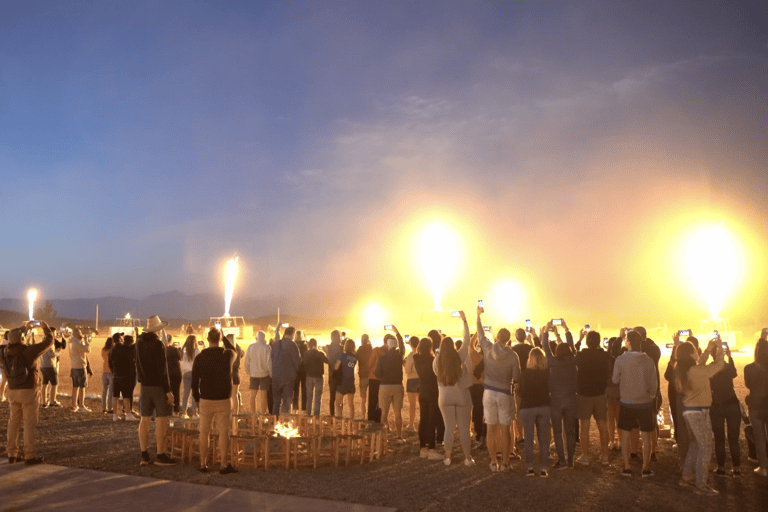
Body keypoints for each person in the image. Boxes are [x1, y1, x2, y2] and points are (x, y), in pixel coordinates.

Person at [674, 337, 724, 495]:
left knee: (695, 445)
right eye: (695, 351)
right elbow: (718, 365)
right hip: (699, 412)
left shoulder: (683, 370)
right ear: (690, 354)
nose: (698, 353)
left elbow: (699, 365)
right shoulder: (696, 370)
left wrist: (709, 350)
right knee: (705, 446)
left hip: (689, 411)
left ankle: (687, 477)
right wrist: (720, 349)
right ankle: (700, 484)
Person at [0, 321, 54, 464]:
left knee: (13, 422)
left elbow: (14, 338)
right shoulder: (28, 351)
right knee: (29, 423)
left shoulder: (5, 351)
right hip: (29, 390)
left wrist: (22, 329)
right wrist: (45, 328)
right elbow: (49, 342)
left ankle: (12, 453)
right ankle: (29, 455)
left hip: (12, 390)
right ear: (22, 338)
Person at [476, 309, 520, 472]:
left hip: (489, 392)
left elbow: (480, 334)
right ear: (509, 340)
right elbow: (516, 377)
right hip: (504, 393)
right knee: (505, 430)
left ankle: (493, 462)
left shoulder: (488, 348)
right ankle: (506, 462)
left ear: (497, 338)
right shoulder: (513, 355)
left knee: (490, 429)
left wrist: (478, 316)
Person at [192, 326, 238, 474]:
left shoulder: (200, 357)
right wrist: (224, 338)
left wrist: (197, 399)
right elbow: (235, 350)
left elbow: (194, 381)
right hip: (224, 399)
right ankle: (224, 464)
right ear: (219, 339)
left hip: (206, 399)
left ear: (207, 339)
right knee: (223, 433)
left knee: (204, 432)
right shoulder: (227, 354)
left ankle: (203, 464)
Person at [612, 329, 657, 478]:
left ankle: (626, 466)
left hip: (626, 402)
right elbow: (654, 383)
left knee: (625, 436)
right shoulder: (648, 360)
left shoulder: (621, 359)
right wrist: (649, 396)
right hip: (644, 402)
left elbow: (615, 380)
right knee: (646, 436)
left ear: (628, 342)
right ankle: (646, 468)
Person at [135, 315, 178, 466]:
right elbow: (162, 370)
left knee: (144, 419)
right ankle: (161, 454)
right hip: (158, 386)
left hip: (144, 386)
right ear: (157, 330)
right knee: (161, 420)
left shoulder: (138, 343)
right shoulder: (158, 344)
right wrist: (168, 390)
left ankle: (144, 454)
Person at [434, 311, 473, 466]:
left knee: (449, 427)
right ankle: (467, 458)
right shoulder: (460, 355)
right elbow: (467, 340)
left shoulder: (437, 360)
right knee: (464, 428)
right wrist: (464, 320)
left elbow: (437, 374)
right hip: (462, 395)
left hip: (444, 396)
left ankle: (448, 457)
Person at [542, 321, 578, 470]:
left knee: (557, 431)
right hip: (571, 398)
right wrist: (566, 329)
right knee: (570, 431)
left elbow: (545, 348)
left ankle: (562, 460)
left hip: (556, 399)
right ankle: (571, 460)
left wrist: (545, 331)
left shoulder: (553, 361)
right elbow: (572, 346)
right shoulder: (573, 360)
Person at [575, 329, 612, 465]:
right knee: (602, 425)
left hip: (584, 394)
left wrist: (579, 340)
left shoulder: (582, 355)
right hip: (600, 394)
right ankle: (605, 456)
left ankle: (585, 456)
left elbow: (574, 353)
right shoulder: (604, 355)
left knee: (584, 426)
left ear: (587, 341)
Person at [709, 339, 741, 477]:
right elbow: (734, 373)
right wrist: (730, 356)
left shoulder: (710, 368)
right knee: (734, 438)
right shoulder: (728, 367)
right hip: (732, 403)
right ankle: (737, 469)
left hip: (716, 405)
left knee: (719, 438)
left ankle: (721, 467)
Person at [519, 347, 551, 477]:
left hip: (527, 407)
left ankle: (530, 467)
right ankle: (544, 469)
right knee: (543, 439)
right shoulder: (547, 373)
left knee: (529, 438)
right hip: (544, 406)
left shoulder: (525, 374)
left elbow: (521, 392)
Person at [375, 326, 406, 441]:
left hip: (385, 386)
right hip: (397, 386)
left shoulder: (382, 358)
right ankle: (399, 436)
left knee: (384, 414)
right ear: (396, 345)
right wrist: (397, 332)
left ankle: (384, 437)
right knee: (398, 414)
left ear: (387, 346)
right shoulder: (399, 356)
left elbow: (377, 374)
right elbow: (403, 346)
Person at [744, 333, 768, 477]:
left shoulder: (749, 368)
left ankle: (764, 467)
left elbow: (748, 384)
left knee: (759, 437)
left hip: (756, 405)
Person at [414, 337, 442, 459]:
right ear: (430, 347)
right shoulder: (433, 359)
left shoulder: (416, 358)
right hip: (433, 392)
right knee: (432, 420)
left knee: (423, 419)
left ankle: (423, 448)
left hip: (422, 391)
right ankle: (431, 448)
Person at [271, 323, 301, 415]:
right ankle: (285, 423)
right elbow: (298, 361)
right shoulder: (293, 345)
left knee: (276, 402)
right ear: (292, 334)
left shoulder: (276, 344)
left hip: (275, 376)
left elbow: (272, 358)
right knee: (286, 402)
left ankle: (275, 422)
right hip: (288, 377)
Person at [511, 329, 533, 445]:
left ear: (516, 337)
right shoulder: (530, 348)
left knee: (518, 410)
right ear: (525, 337)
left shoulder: (513, 350)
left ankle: (520, 435)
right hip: (530, 381)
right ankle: (529, 435)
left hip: (518, 381)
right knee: (529, 409)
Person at [110, 332, 138, 421]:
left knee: (115, 396)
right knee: (126, 396)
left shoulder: (113, 349)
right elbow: (135, 345)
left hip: (116, 376)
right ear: (120, 339)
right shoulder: (124, 347)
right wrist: (137, 334)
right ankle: (128, 414)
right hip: (125, 376)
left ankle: (115, 415)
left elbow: (110, 363)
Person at [245, 330, 271, 414]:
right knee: (263, 396)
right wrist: (271, 373)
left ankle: (253, 414)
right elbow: (269, 362)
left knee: (253, 396)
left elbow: (247, 361)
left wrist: (249, 371)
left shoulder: (251, 347)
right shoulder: (267, 347)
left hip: (253, 375)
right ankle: (263, 415)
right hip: (264, 375)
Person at [468, 332, 486, 449]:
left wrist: (476, 334)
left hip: (475, 386)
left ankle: (479, 435)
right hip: (486, 386)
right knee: (484, 412)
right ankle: (484, 435)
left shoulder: (475, 356)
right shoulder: (488, 357)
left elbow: (470, 345)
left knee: (477, 411)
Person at [302, 338, 329, 416]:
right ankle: (316, 417)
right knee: (317, 398)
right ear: (316, 345)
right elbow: (327, 361)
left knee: (309, 398)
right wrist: (326, 351)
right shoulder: (319, 354)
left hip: (309, 376)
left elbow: (303, 364)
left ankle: (308, 415)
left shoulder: (306, 354)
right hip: (318, 377)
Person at [39, 329, 64, 408]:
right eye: (55, 333)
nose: (55, 335)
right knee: (54, 383)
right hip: (49, 365)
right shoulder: (50, 342)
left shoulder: (42, 341)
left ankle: (44, 401)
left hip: (42, 365)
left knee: (45, 383)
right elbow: (51, 354)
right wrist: (58, 352)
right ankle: (52, 401)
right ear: (52, 333)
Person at [68, 328, 91, 412]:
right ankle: (81, 405)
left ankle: (74, 405)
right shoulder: (76, 343)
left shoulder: (71, 342)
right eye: (80, 333)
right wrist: (86, 341)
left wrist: (83, 341)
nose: (81, 334)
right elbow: (87, 350)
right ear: (76, 334)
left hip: (74, 367)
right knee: (82, 387)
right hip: (80, 367)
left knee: (75, 387)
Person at [335, 338, 357, 419]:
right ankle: (351, 421)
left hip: (342, 382)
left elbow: (336, 367)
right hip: (351, 382)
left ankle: (339, 422)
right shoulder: (355, 357)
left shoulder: (342, 355)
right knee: (351, 404)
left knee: (338, 403)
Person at [323, 330, 343, 416]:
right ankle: (339, 415)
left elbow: (326, 353)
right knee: (340, 398)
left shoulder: (327, 347)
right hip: (341, 375)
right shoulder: (342, 348)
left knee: (332, 398)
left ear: (331, 337)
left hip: (331, 375)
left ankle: (332, 416)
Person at [180, 335, 200, 417]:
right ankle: (194, 413)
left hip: (186, 374)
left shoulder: (183, 351)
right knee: (194, 393)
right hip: (194, 373)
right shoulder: (196, 351)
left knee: (186, 393)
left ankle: (184, 412)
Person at [404, 336, 420, 431]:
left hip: (412, 380)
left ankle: (411, 425)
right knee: (422, 404)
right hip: (421, 380)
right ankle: (423, 423)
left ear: (410, 344)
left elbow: (407, 370)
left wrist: (404, 364)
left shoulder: (411, 355)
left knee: (412, 405)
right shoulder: (421, 354)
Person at [356, 334, 373, 419]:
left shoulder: (359, 349)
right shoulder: (371, 349)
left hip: (362, 376)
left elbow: (355, 359)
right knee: (372, 399)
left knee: (363, 400)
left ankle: (363, 417)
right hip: (371, 376)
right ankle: (371, 417)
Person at [165, 334, 182, 416]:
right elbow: (179, 358)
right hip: (176, 372)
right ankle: (176, 409)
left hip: (167, 373)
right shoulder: (175, 349)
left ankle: (167, 409)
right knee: (176, 391)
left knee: (167, 391)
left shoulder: (162, 350)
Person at [227, 334, 245, 415]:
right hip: (236, 375)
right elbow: (242, 354)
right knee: (235, 396)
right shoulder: (238, 350)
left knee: (229, 396)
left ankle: (231, 412)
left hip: (228, 375)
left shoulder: (226, 350)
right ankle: (235, 413)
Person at [292, 330, 307, 413]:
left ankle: (295, 410)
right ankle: (304, 410)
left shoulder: (293, 345)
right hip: (304, 370)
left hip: (295, 370)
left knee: (295, 390)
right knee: (304, 390)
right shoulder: (305, 345)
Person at [101, 336, 115, 414]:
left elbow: (104, 358)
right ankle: (110, 407)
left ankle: (103, 407)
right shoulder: (112, 350)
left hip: (104, 371)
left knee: (104, 390)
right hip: (111, 372)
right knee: (111, 391)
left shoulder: (103, 349)